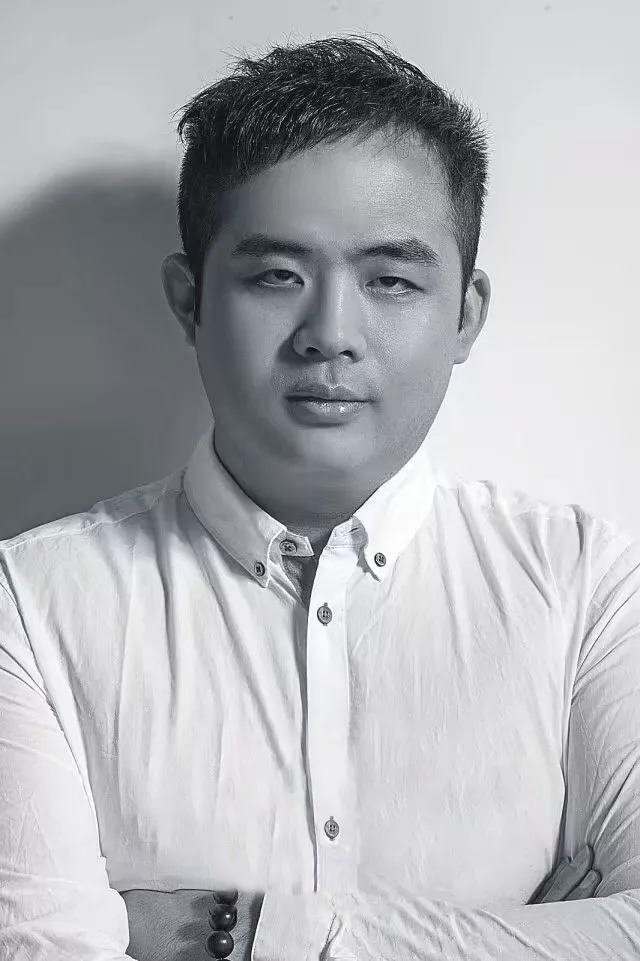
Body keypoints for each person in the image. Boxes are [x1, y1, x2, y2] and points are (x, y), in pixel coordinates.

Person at [1, 32, 639, 961]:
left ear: (465, 314)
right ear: (189, 300)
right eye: (277, 275)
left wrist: (231, 929)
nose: (330, 333)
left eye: (391, 279)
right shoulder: (28, 606)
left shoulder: (589, 585)